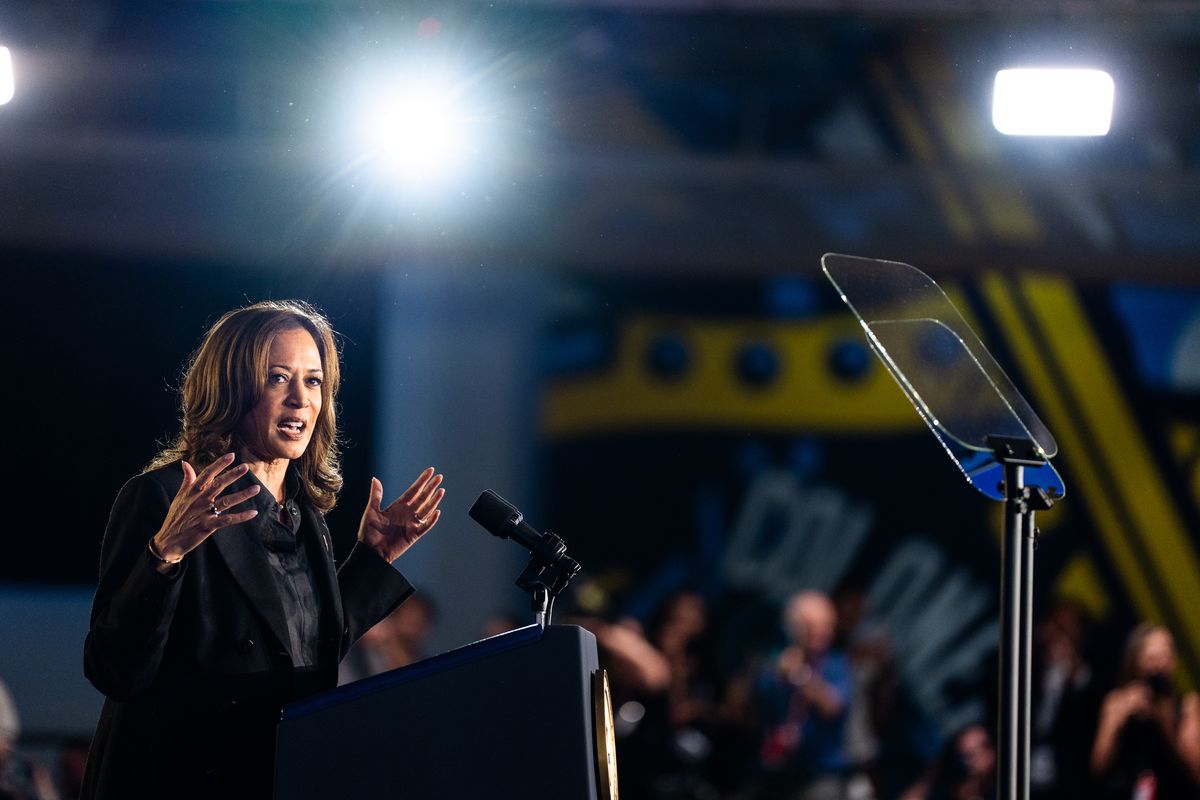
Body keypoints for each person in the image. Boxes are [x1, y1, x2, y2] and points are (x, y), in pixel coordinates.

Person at [80, 300, 445, 800]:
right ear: (232, 387)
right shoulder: (163, 497)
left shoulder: (304, 516)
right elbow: (114, 668)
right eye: (278, 378)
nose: (300, 399)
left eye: (313, 381)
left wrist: (373, 559)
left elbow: (302, 654)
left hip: (277, 778)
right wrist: (164, 555)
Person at [754, 591, 853, 800]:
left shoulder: (837, 664)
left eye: (826, 625)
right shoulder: (781, 657)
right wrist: (780, 676)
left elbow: (833, 705)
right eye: (812, 626)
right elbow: (759, 695)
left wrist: (801, 677)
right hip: (778, 763)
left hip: (819, 773)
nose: (821, 632)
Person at [1090, 622, 1200, 799]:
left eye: (1165, 656)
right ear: (1136, 662)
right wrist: (1116, 720)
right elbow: (1098, 767)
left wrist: (1165, 722)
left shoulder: (1188, 706)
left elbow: (1194, 771)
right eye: (1152, 658)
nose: (1159, 666)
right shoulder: (1117, 702)